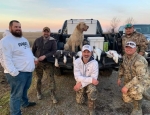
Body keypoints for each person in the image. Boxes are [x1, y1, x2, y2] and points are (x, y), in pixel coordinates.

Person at [0, 20, 36, 115]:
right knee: (16, 95)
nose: (18, 29)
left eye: (19, 27)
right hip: (17, 73)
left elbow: (27, 52)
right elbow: (4, 59)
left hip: (27, 71)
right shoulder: (6, 41)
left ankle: (25, 103)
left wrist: (34, 58)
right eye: (16, 27)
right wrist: (14, 73)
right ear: (10, 27)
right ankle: (15, 113)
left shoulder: (23, 39)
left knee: (24, 89)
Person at [117, 41, 150, 115]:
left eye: (131, 48)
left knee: (135, 90)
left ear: (135, 49)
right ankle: (142, 93)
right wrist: (119, 77)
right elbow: (122, 67)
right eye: (127, 47)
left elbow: (140, 77)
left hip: (142, 81)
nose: (128, 49)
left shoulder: (139, 59)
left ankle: (138, 109)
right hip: (131, 80)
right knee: (126, 100)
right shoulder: (125, 56)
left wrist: (126, 86)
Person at [32, 27, 58, 103]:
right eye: (44, 31)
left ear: (50, 33)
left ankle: (53, 95)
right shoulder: (37, 40)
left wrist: (45, 56)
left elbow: (54, 51)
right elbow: (33, 50)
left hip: (48, 63)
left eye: (47, 32)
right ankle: (39, 92)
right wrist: (34, 59)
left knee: (51, 80)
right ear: (42, 32)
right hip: (38, 63)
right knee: (38, 79)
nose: (46, 33)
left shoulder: (53, 41)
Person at [73, 45, 99, 115]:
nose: (86, 54)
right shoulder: (76, 62)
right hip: (83, 81)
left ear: (91, 53)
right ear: (82, 52)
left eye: (88, 52)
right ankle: (83, 92)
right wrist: (90, 80)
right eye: (85, 52)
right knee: (79, 101)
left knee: (92, 90)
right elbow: (77, 77)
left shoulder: (95, 63)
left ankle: (91, 109)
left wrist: (81, 84)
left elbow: (94, 78)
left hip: (87, 83)